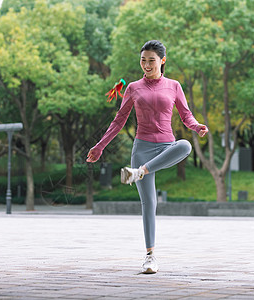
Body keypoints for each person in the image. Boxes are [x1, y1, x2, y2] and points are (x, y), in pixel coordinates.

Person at [86, 40, 208, 274]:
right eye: (143, 60)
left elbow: (186, 115)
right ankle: (150, 257)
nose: (146, 65)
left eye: (151, 60)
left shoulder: (174, 86)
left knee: (185, 146)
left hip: (166, 147)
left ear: (162, 61)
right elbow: (119, 120)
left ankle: (140, 171)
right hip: (142, 148)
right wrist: (100, 146)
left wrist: (196, 127)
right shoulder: (132, 87)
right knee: (149, 204)